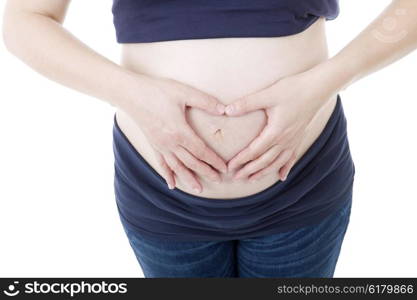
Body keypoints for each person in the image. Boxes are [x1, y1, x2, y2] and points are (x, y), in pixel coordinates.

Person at [3, 0, 417, 278]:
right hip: (162, 194)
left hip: (301, 185)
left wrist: (323, 84)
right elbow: (25, 20)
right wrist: (133, 94)